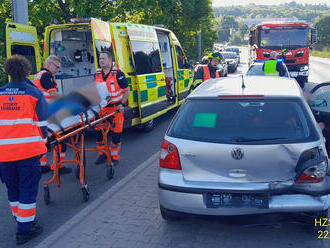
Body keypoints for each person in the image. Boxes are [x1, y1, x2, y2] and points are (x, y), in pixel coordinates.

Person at [0, 55, 48, 245]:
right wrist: (43, 144)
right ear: (27, 71)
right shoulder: (35, 94)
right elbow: (43, 125)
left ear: (8, 71)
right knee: (27, 190)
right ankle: (24, 230)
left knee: (13, 189)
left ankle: (21, 219)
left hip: (4, 154)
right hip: (28, 152)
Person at [33, 55, 71, 174]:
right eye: (57, 67)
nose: (58, 70)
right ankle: (58, 166)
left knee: (44, 140)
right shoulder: (46, 75)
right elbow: (53, 94)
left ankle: (42, 165)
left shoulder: (38, 75)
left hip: (41, 113)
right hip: (48, 113)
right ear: (49, 64)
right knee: (61, 138)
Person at [94, 51, 130, 165]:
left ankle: (114, 157)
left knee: (116, 134)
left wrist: (122, 104)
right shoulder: (97, 74)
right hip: (102, 109)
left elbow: (126, 91)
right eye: (100, 58)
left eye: (103, 58)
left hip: (116, 109)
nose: (101, 60)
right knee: (99, 133)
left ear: (110, 60)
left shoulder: (118, 74)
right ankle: (102, 154)